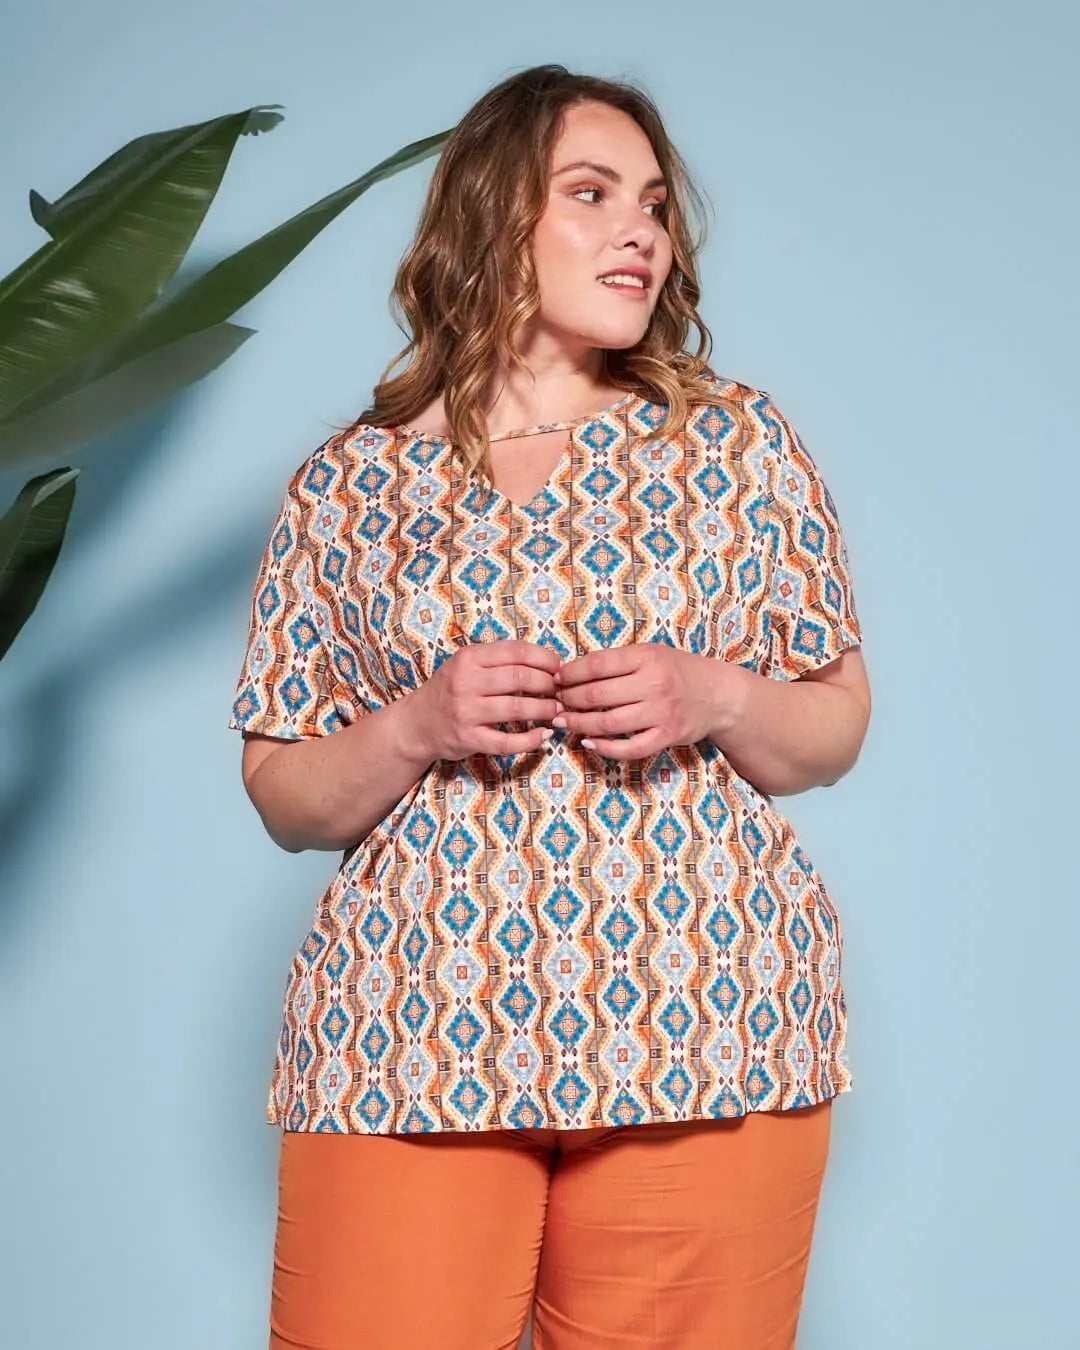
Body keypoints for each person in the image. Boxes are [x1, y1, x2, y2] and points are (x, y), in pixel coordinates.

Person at [228, 63, 872, 1350]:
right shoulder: (347, 485)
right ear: (491, 215)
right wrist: (417, 724)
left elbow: (836, 722)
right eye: (592, 194)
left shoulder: (735, 444)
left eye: (655, 205)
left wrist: (713, 692)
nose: (641, 231)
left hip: (707, 1010)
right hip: (412, 1024)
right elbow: (283, 793)